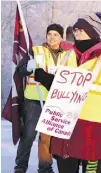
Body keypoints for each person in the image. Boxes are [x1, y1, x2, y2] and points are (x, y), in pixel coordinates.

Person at [34, 12, 101, 173]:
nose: (76, 32)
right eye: (75, 29)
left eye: (80, 29)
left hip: (93, 127)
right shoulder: (69, 55)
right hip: (66, 125)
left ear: (92, 31)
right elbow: (62, 85)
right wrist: (44, 77)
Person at [14, 24, 77, 173]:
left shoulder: (69, 55)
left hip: (55, 102)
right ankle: (20, 166)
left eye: (56, 34)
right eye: (50, 33)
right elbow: (20, 70)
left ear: (61, 37)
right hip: (34, 99)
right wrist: (28, 67)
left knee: (46, 138)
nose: (52, 37)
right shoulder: (36, 51)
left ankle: (45, 168)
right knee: (28, 135)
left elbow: (74, 77)